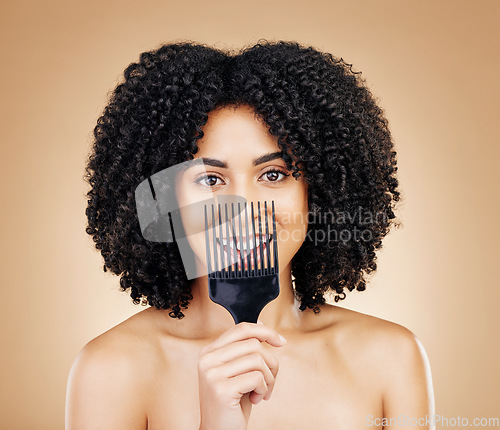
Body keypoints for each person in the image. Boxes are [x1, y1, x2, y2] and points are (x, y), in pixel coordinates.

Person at [65, 39, 435, 429]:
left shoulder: (390, 358)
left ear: (319, 192)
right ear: (169, 200)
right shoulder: (111, 371)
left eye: (273, 175)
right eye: (211, 178)